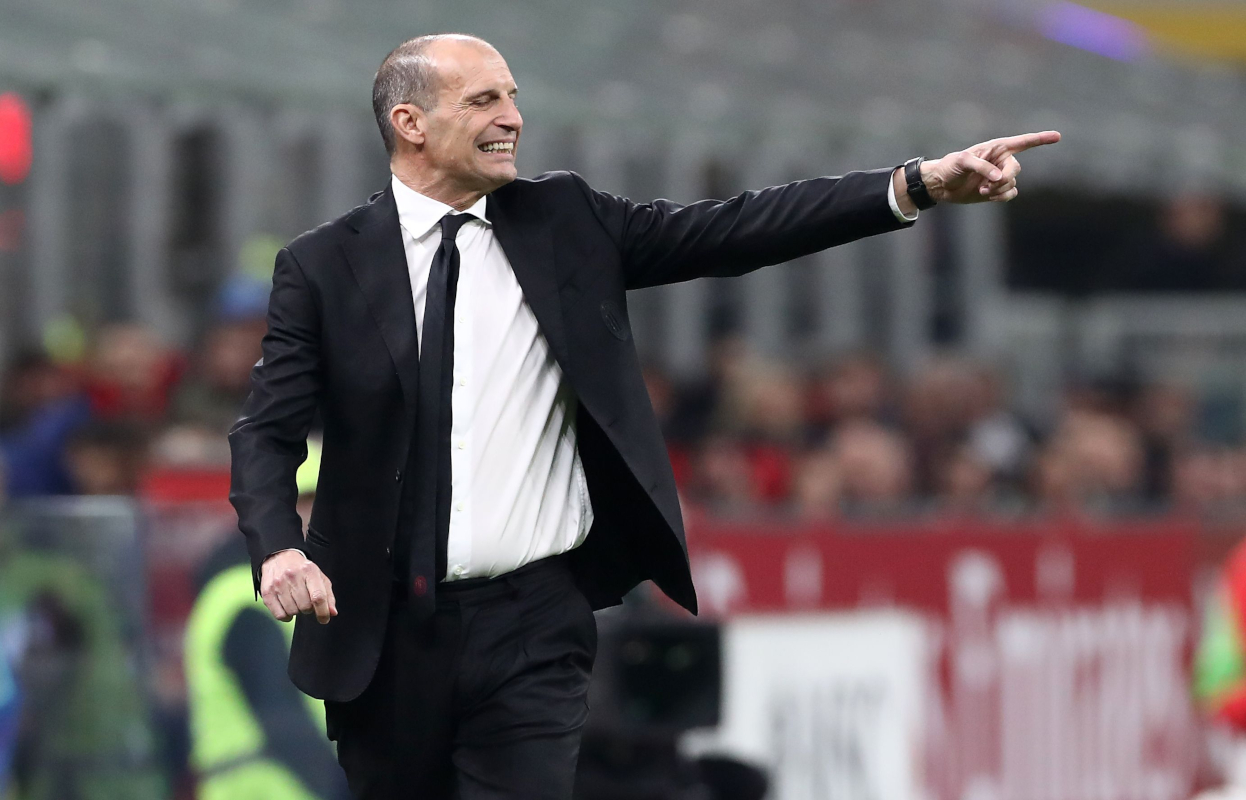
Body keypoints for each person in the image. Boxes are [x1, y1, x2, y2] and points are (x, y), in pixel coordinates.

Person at [228, 32, 1059, 799]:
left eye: (512, 97)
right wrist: (276, 548)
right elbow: (266, 429)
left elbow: (733, 230)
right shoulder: (324, 264)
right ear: (409, 123)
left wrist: (913, 185)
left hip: (535, 626)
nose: (512, 118)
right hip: (383, 631)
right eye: (483, 101)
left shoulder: (565, 219)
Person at [186, 440, 350, 800]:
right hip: (266, 788)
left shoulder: (305, 588)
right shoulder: (243, 600)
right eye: (309, 505)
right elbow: (282, 721)